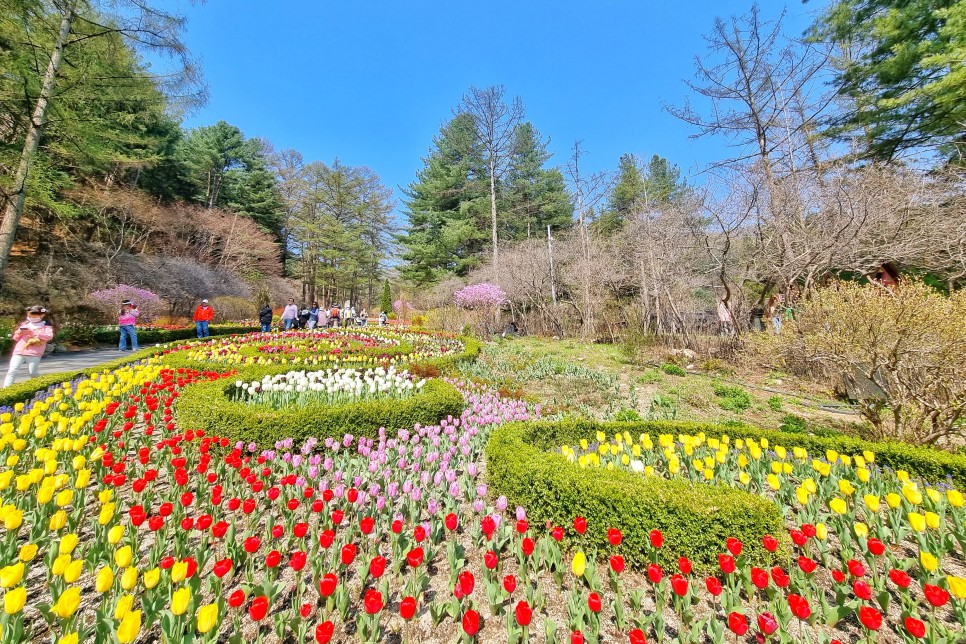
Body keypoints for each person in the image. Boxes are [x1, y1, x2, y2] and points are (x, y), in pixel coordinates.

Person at [3, 305, 54, 388]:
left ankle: (42, 386)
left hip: (34, 353)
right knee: (12, 371)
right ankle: (6, 389)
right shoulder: (24, 324)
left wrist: (32, 333)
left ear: (42, 315)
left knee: (32, 373)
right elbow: (15, 338)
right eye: (29, 316)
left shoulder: (46, 326)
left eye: (34, 316)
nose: (31, 318)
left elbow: (49, 336)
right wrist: (18, 332)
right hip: (19, 351)